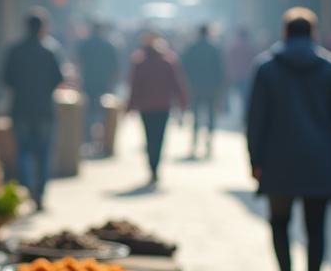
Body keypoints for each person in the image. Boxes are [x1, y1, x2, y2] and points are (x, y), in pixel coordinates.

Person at [246, 8, 331, 271]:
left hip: (278, 161)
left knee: (279, 224)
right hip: (320, 161)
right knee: (316, 228)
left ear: (284, 32)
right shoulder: (330, 66)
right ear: (314, 33)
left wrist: (255, 159)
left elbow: (255, 120)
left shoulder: (266, 67)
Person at [2, 7, 64, 209]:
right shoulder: (50, 50)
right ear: (42, 28)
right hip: (44, 109)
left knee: (24, 151)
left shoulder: (15, 50)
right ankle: (41, 191)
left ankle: (28, 188)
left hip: (21, 108)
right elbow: (58, 78)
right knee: (44, 152)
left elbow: (6, 79)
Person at [126, 31, 189, 186]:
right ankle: (155, 166)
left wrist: (130, 105)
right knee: (159, 138)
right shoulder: (167, 61)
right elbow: (177, 84)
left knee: (149, 137)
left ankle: (152, 167)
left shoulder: (140, 62)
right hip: (163, 106)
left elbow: (134, 86)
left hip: (146, 107)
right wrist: (183, 103)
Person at [180, 24, 225, 158]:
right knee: (210, 115)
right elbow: (220, 71)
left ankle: (194, 143)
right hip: (210, 88)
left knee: (195, 116)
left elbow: (184, 69)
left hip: (195, 88)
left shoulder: (192, 48)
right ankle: (209, 142)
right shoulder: (214, 49)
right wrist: (220, 89)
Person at [78, 21, 119, 152]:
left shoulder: (85, 44)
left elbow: (79, 63)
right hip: (104, 83)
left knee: (89, 111)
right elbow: (115, 67)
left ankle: (89, 138)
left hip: (88, 82)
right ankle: (101, 140)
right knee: (102, 113)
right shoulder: (108, 45)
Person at [225, 27, 257, 117]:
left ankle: (231, 113)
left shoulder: (232, 46)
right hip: (246, 75)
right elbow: (253, 61)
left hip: (234, 75)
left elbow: (228, 60)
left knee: (231, 96)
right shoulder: (250, 47)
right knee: (244, 97)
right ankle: (244, 115)